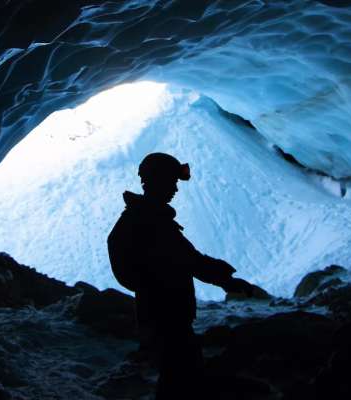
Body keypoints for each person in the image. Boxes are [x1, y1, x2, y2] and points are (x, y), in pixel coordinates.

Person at [107, 152, 253, 399]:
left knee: (176, 375)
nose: (175, 188)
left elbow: (185, 259)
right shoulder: (152, 222)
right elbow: (189, 260)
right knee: (180, 375)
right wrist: (226, 279)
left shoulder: (143, 217)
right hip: (167, 313)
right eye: (171, 182)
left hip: (157, 311)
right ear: (156, 182)